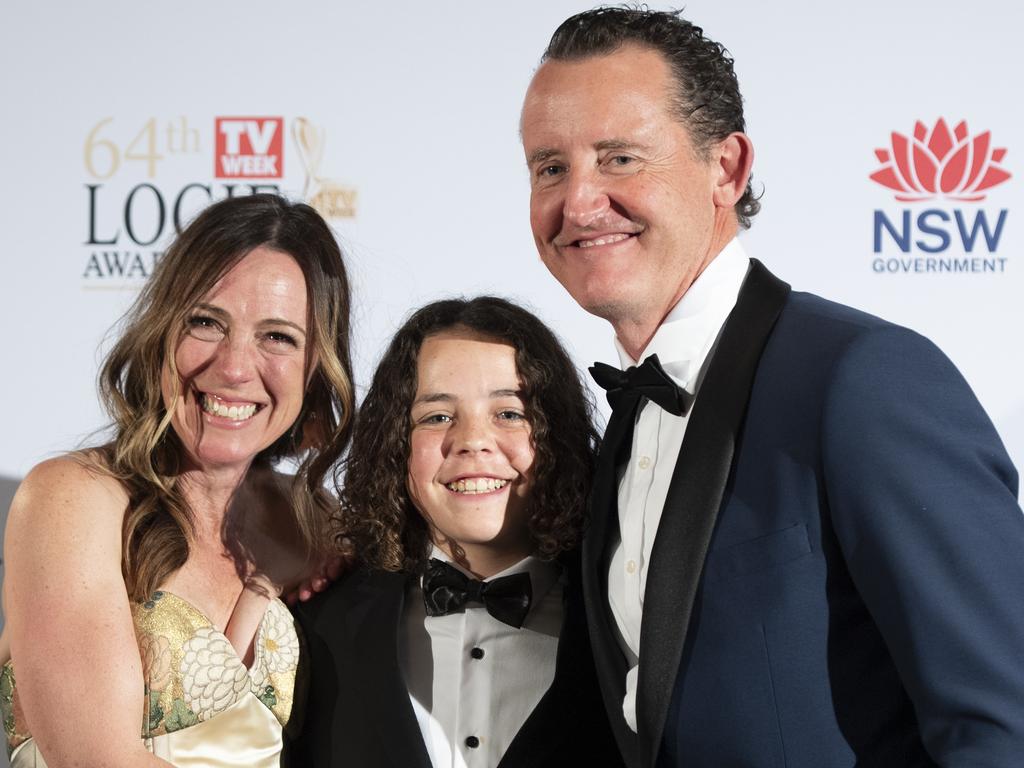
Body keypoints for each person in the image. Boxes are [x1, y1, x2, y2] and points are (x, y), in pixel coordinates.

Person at [520, 7, 1024, 767]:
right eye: (551, 167)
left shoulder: (861, 379)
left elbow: (1002, 720)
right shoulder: (625, 419)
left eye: (620, 158)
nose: (580, 202)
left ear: (726, 169)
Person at [0, 193, 354, 767]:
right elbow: (99, 761)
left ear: (318, 367)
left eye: (278, 336)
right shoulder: (70, 499)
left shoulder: (314, 518)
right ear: (162, 331)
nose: (236, 367)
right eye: (206, 322)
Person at [283, 296, 622, 768]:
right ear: (395, 445)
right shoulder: (318, 627)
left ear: (555, 434)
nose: (471, 441)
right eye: (437, 417)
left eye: (509, 413)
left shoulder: (626, 626)